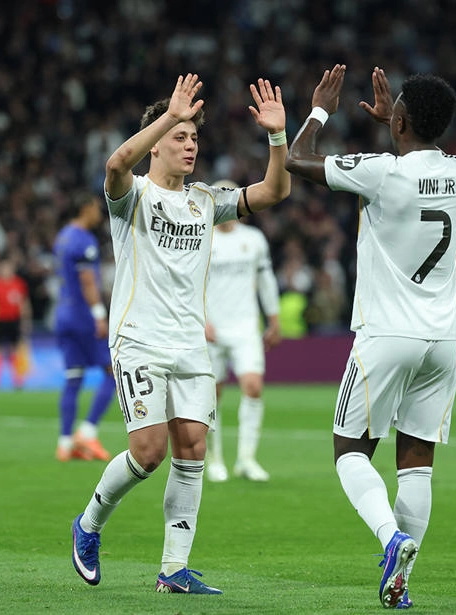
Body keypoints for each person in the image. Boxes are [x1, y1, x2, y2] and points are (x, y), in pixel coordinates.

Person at [71, 73, 291, 595]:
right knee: (148, 453)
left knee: (192, 450)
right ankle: (89, 523)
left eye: (194, 137)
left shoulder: (206, 201)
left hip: (191, 345)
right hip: (139, 341)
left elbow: (275, 190)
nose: (190, 145)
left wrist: (277, 137)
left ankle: (173, 569)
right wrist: (169, 114)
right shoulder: (132, 196)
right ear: (157, 142)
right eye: (179, 136)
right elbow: (115, 165)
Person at [285, 65, 456, 609]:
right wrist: (395, 124)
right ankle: (401, 583)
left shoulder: (383, 172)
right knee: (416, 461)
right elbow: (415, 164)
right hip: (443, 340)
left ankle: (391, 541)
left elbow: (297, 159)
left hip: (387, 333)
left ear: (402, 122)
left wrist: (319, 111)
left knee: (349, 452)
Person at [204, 179, 281, 483]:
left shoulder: (254, 239)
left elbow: (266, 280)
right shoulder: (202, 237)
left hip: (246, 327)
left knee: (253, 387)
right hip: (210, 328)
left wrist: (274, 319)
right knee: (212, 395)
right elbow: (188, 284)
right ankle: (214, 459)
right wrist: (200, 319)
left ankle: (247, 459)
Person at [52, 191, 117, 462]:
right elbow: (88, 281)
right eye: (96, 208)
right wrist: (99, 315)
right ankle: (87, 433)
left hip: (62, 315)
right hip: (82, 317)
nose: (99, 214)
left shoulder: (63, 237)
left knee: (73, 378)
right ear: (85, 208)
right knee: (114, 371)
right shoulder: (84, 240)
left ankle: (65, 444)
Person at [0, 259, 31, 389]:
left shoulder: (19, 284)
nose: (6, 271)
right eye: (3, 268)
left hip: (14, 320)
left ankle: (18, 381)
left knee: (15, 350)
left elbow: (24, 303)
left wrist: (25, 321)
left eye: (8, 268)